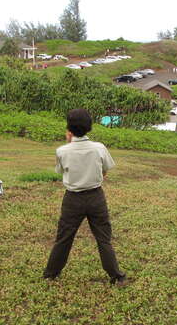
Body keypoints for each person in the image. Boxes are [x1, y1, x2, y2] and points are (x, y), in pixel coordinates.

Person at [43, 109, 126, 286]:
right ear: (89, 127)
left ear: (69, 128)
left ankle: (51, 274)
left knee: (64, 237)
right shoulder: (99, 148)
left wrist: (68, 143)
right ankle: (116, 275)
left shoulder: (62, 151)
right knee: (103, 237)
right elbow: (105, 170)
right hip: (96, 196)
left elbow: (60, 171)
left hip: (72, 199)